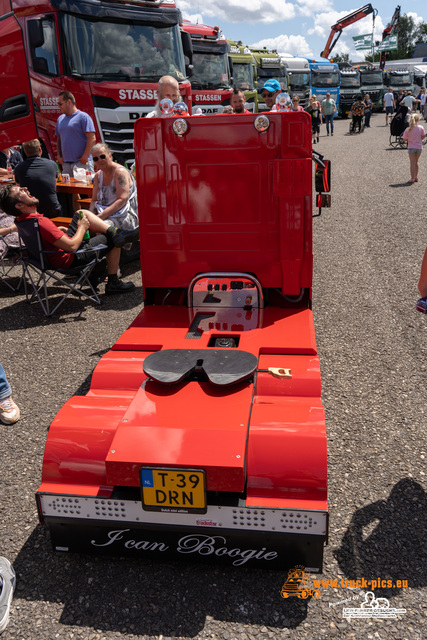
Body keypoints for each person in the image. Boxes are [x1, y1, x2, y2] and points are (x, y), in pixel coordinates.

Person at [0, 184, 139, 294]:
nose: (25, 189)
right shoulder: (41, 222)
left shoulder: (21, 220)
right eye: (21, 191)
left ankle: (115, 235)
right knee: (112, 238)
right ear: (19, 206)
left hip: (49, 257)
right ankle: (113, 282)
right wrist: (82, 228)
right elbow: (72, 247)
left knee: (81, 213)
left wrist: (58, 233)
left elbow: (45, 238)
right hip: (69, 259)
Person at [89, 143, 138, 231]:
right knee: (80, 219)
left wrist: (99, 217)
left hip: (124, 215)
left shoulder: (120, 172)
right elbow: (94, 200)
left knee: (100, 226)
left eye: (102, 156)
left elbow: (122, 200)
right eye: (96, 159)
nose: (100, 160)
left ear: (110, 156)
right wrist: (91, 216)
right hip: (105, 213)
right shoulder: (98, 176)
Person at [14, 139, 62, 219]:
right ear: (40, 150)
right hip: (52, 210)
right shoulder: (52, 164)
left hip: (30, 209)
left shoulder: (19, 168)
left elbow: (18, 186)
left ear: (25, 151)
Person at [55, 91, 96, 176]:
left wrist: (85, 156)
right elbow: (59, 139)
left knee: (84, 188)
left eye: (60, 103)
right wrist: (59, 155)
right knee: (67, 189)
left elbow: (92, 138)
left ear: (69, 102)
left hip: (82, 164)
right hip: (66, 164)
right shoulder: (60, 119)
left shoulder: (83, 117)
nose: (59, 106)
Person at [401, 113, 426, 183]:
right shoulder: (421, 128)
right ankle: (416, 176)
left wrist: (408, 139)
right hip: (419, 147)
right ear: (418, 120)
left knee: (412, 162)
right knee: (417, 161)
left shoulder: (408, 129)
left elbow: (404, 139)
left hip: (411, 147)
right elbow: (423, 136)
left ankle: (412, 178)